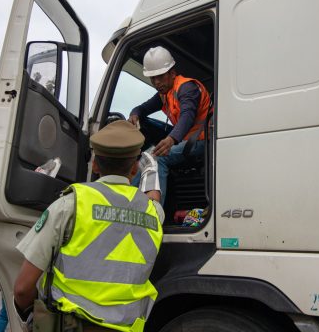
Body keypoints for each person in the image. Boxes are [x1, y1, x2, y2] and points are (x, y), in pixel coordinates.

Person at [13, 120, 164, 332]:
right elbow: (154, 198)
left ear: (94, 165)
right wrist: (151, 169)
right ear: (133, 168)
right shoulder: (153, 213)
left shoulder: (70, 205)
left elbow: (22, 289)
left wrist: (32, 318)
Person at [129, 46, 211, 205]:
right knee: (148, 155)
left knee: (157, 158)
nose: (156, 82)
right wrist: (134, 114)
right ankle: (128, 199)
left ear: (172, 74)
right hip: (186, 141)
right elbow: (143, 108)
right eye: (153, 78)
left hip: (202, 141)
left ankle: (153, 212)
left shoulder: (186, 88)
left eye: (160, 77)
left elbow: (187, 115)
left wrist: (171, 139)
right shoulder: (164, 94)